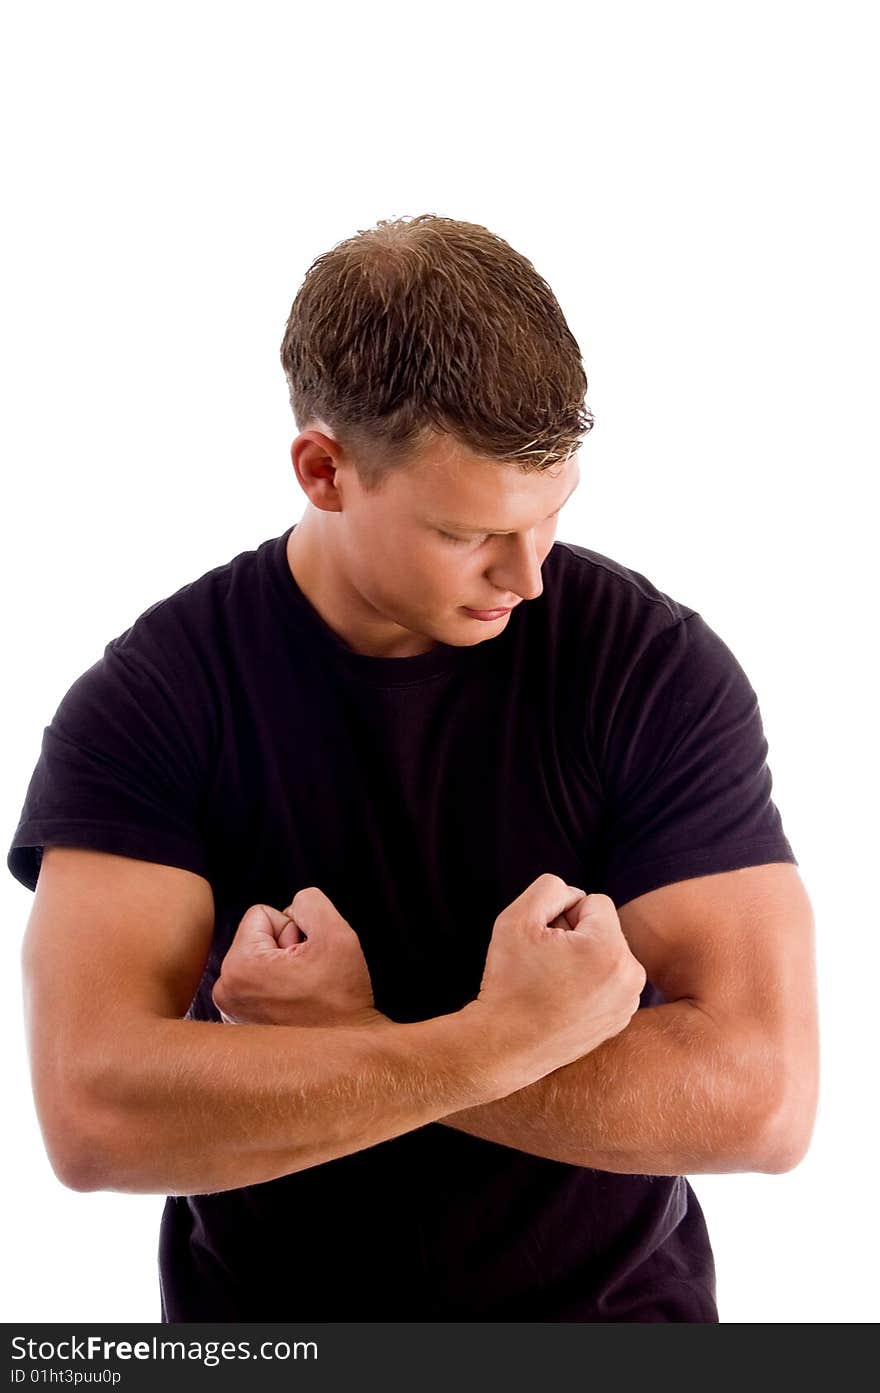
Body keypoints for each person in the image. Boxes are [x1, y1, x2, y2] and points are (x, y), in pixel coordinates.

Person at [7, 213, 819, 1323]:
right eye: (467, 533)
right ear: (324, 468)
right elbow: (93, 1117)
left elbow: (761, 1102)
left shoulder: (647, 666)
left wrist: (360, 1040)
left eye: (551, 516)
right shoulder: (155, 699)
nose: (527, 576)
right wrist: (498, 1038)